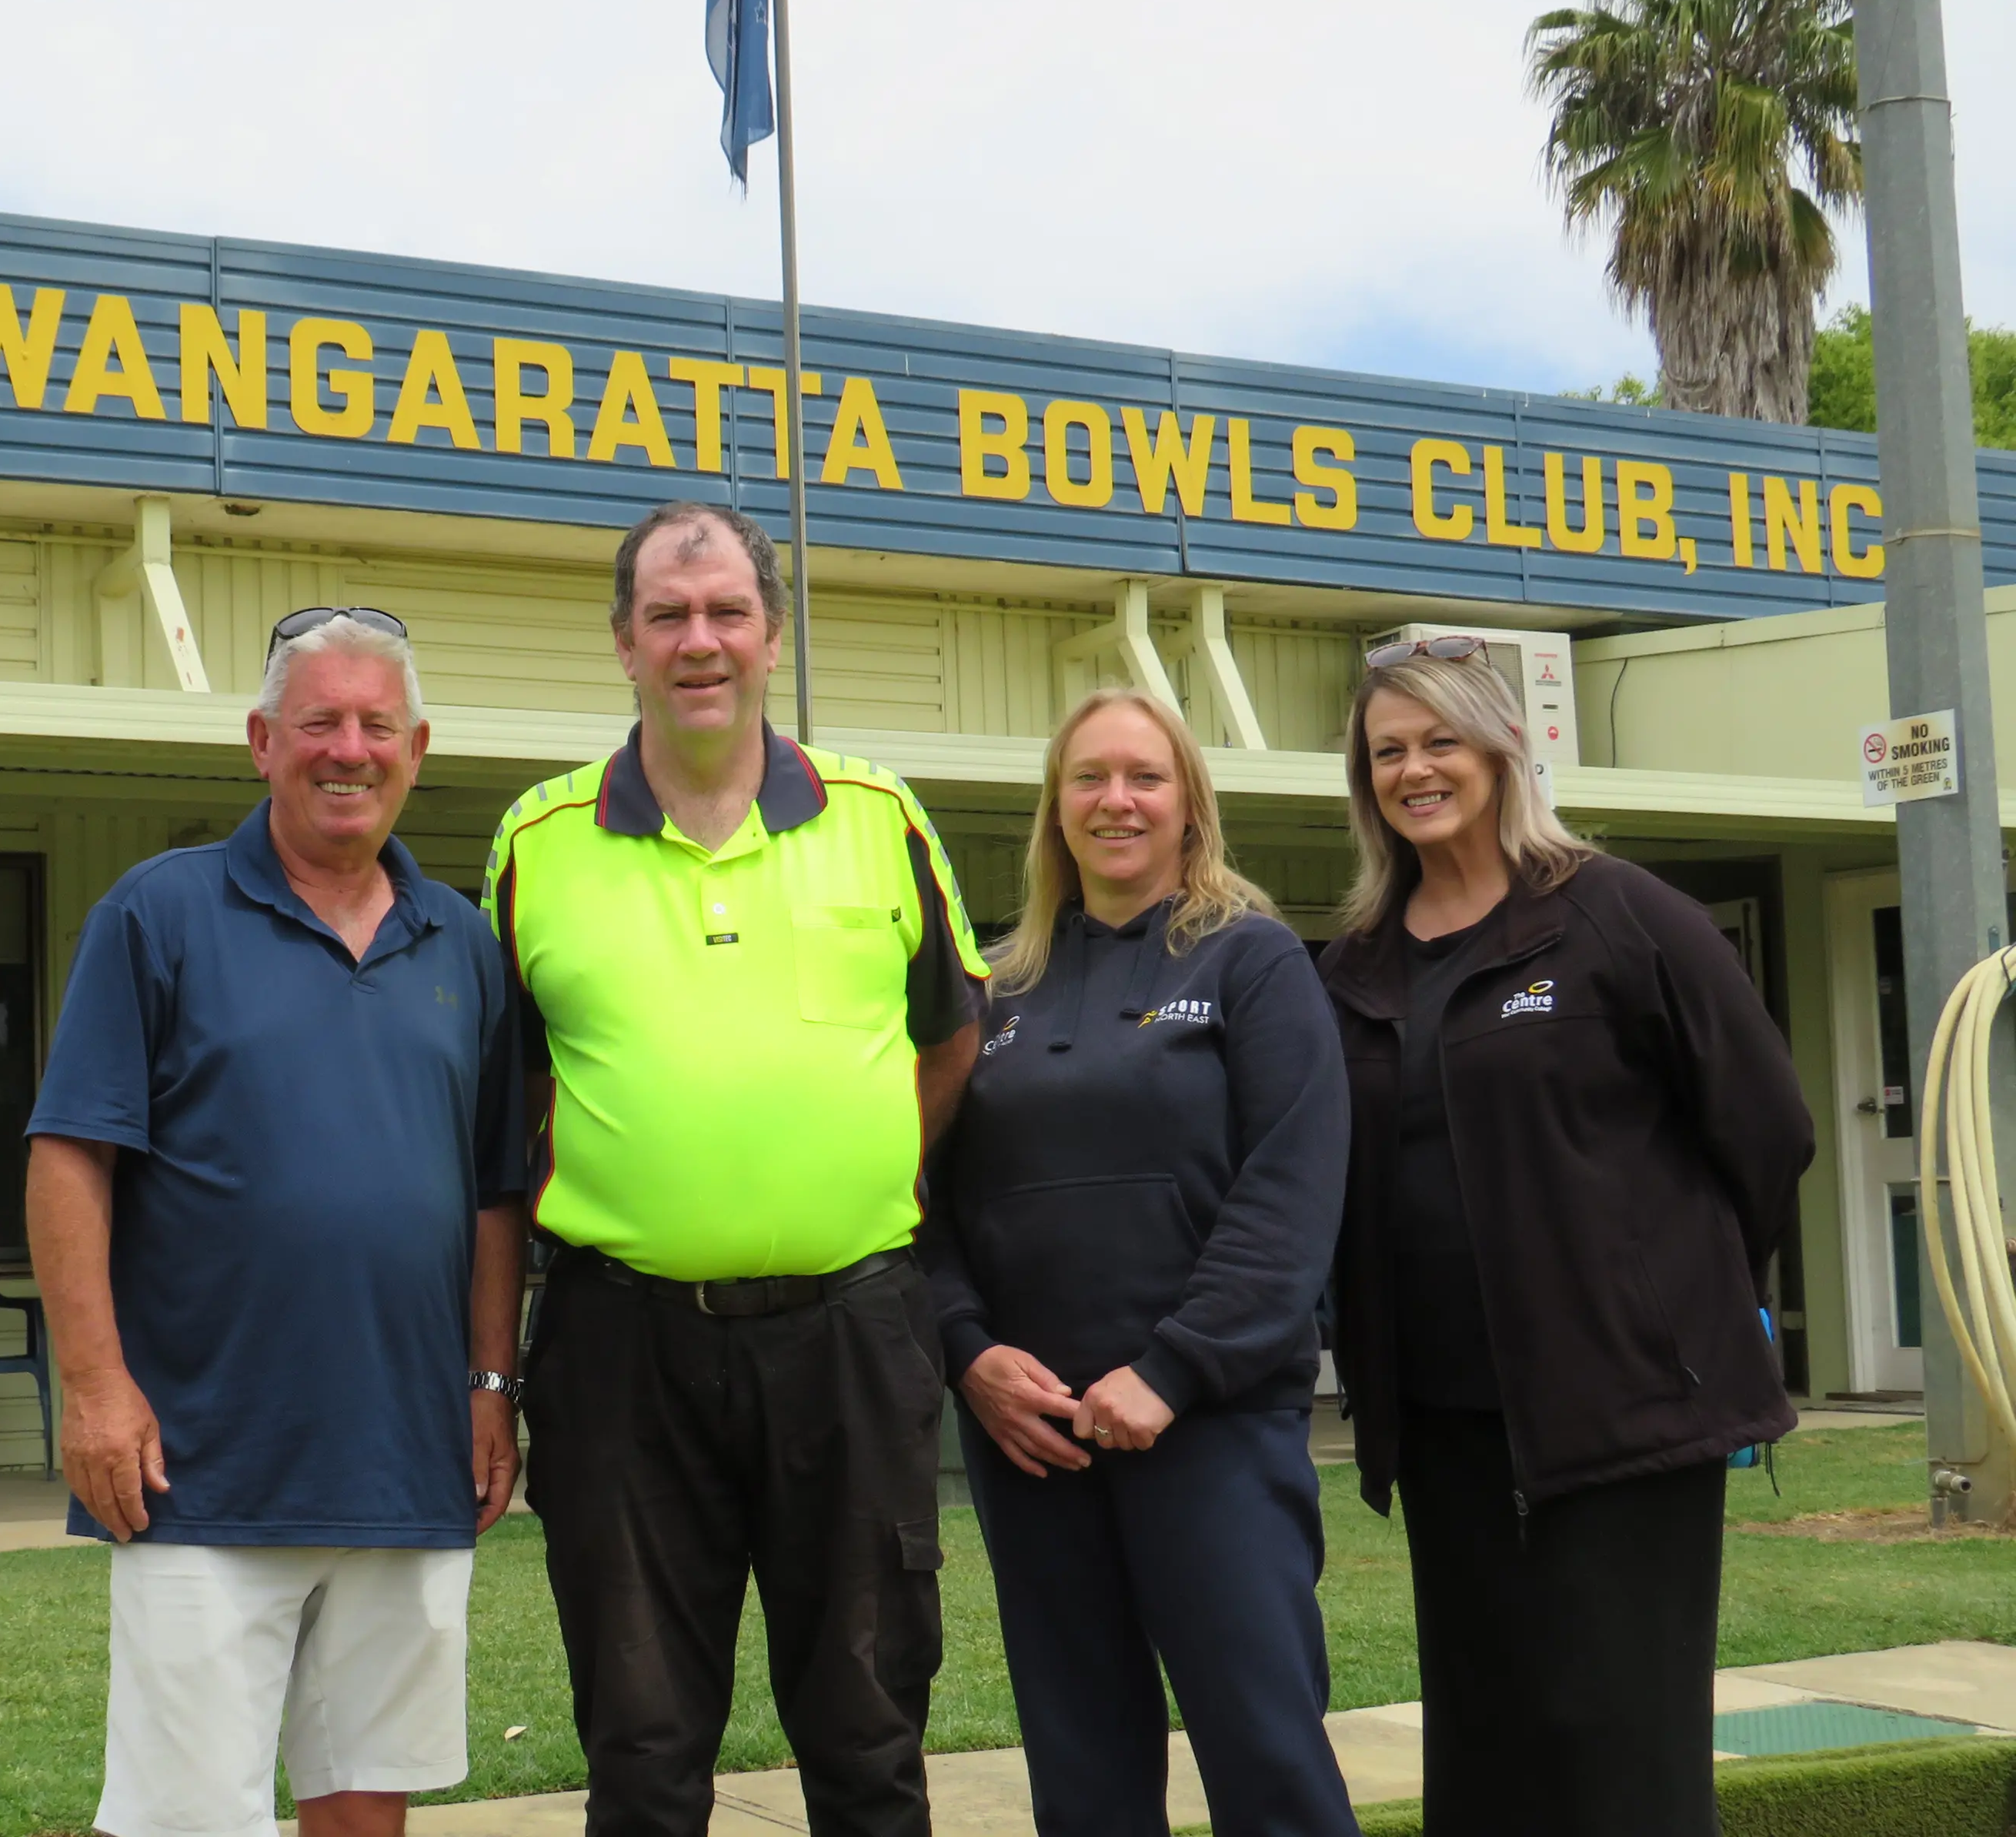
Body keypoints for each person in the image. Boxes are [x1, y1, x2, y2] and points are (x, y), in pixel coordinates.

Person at [485, 499, 985, 1837]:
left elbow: (950, 1043)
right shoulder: (536, 846)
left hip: (853, 1336)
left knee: (870, 1734)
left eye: (725, 614)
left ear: (773, 634)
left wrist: (845, 1168)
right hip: (617, 1349)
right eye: (668, 615)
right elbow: (515, 1105)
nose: (698, 641)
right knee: (644, 1751)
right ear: (623, 642)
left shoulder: (881, 818)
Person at [25, 607, 525, 1837]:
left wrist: (490, 1384)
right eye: (318, 723)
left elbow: (493, 1190)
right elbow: (68, 1157)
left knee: (366, 1803)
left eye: (375, 725)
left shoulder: (464, 943)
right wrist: (93, 1388)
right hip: (200, 1464)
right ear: (260, 740)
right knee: (192, 1817)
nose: (346, 749)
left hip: (407, 1459)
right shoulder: (158, 915)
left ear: (419, 748)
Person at [1317, 640, 1814, 1837]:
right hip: (1443, 1424)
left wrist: (1668, 1300)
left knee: (1622, 1749)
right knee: (1488, 1748)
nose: (1415, 769)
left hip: (1628, 1413)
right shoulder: (1355, 967)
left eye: (1439, 740)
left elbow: (1769, 1129)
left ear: (1501, 748)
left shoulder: (1620, 913)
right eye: (1389, 750)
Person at [921, 686, 1357, 1837]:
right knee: (1086, 1777)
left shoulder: (1253, 964)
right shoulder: (992, 989)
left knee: (1268, 1766)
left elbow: (1290, 1195)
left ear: (1189, 806)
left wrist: (1171, 1372)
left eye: (1145, 778)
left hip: (1211, 1430)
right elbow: (925, 1203)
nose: (1116, 801)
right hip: (1035, 1438)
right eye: (1089, 778)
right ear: (1055, 807)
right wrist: (967, 1355)